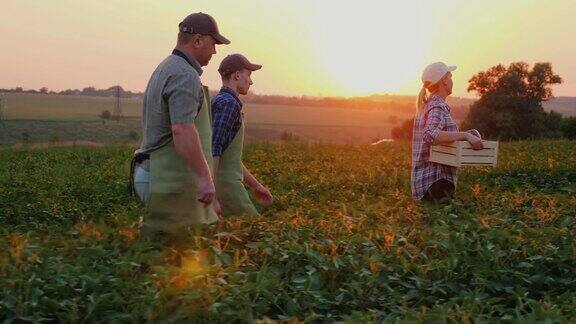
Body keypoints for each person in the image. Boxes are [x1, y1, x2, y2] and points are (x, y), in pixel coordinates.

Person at [130, 12, 230, 240]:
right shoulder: (184, 75)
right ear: (197, 41)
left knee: (164, 252)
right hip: (165, 176)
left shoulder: (166, 67)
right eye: (213, 44)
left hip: (156, 172)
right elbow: (182, 129)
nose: (215, 51)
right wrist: (206, 178)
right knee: (182, 251)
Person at [211, 54, 274, 216]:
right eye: (249, 75)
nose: (251, 82)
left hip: (227, 186)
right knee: (257, 233)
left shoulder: (224, 101)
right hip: (227, 189)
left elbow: (230, 158)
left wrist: (255, 186)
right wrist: (212, 195)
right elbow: (213, 149)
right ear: (237, 75)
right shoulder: (228, 104)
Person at [411, 62, 483, 203]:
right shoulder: (437, 106)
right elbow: (431, 135)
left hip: (427, 185)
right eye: (450, 76)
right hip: (436, 182)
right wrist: (465, 135)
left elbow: (442, 137)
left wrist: (469, 135)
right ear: (444, 80)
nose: (451, 80)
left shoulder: (428, 105)